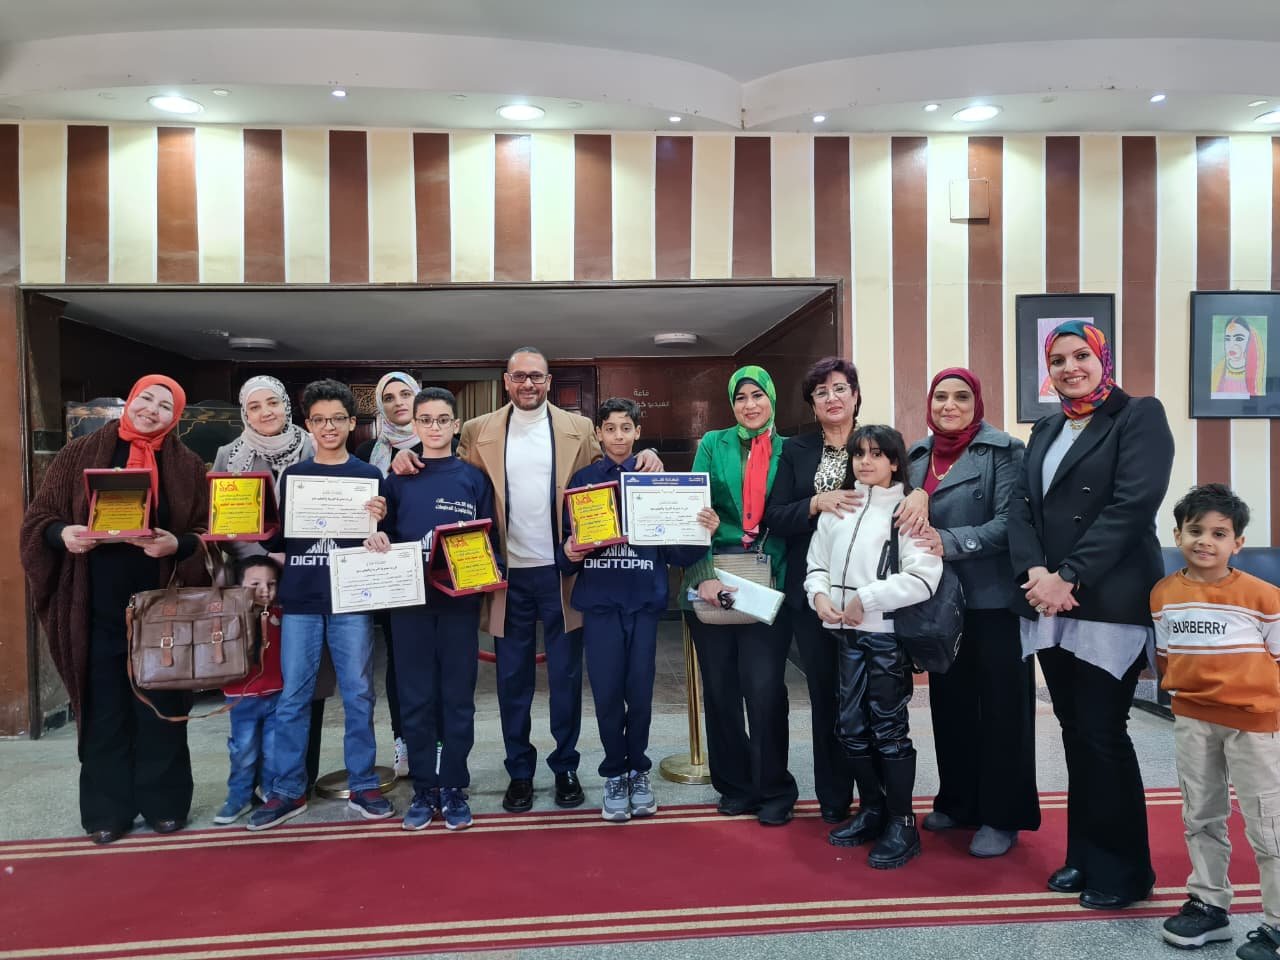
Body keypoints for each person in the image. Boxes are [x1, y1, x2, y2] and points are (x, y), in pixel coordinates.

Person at [391, 347, 661, 813]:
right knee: (511, 679)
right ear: (506, 381)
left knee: (566, 676)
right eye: (519, 376)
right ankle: (519, 771)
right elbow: (443, 466)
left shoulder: (579, 428)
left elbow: (614, 463)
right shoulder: (478, 430)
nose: (528, 384)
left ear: (549, 381)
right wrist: (404, 456)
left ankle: (565, 766)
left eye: (536, 376)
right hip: (505, 574)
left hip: (563, 571)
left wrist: (649, 454)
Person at [1007, 320, 1174, 909]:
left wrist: (1069, 575)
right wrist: (1035, 573)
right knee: (1075, 731)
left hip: (1105, 599)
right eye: (1057, 360)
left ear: (1103, 359)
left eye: (1081, 355)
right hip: (1048, 599)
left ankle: (1125, 872)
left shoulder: (1138, 415)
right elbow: (1021, 507)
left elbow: (1132, 505)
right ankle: (1084, 856)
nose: (1070, 367)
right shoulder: (1046, 427)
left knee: (1104, 732)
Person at [20, 375, 210, 844]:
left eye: (164, 405)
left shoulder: (187, 465)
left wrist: (177, 544)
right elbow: (39, 520)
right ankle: (107, 811)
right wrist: (63, 535)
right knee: (104, 709)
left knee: (163, 708)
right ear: (131, 400)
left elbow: (208, 531)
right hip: (95, 606)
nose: (151, 410)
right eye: (146, 398)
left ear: (175, 417)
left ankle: (165, 804)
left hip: (162, 610)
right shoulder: (78, 454)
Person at [896, 368, 1040, 858]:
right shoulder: (917, 456)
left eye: (961, 397)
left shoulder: (1004, 451)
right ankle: (958, 801)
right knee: (950, 705)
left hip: (993, 602)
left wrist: (949, 540)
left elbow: (1010, 524)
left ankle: (1002, 816)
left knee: (1002, 711)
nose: (949, 406)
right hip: (938, 603)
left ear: (977, 403)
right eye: (941, 397)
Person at [558, 398, 716, 822]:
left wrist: (702, 531)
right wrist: (570, 551)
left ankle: (638, 771)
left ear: (637, 432)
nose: (618, 436)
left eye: (626, 428)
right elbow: (566, 552)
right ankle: (614, 773)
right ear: (598, 433)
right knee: (608, 695)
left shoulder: (654, 478)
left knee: (640, 694)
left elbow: (678, 553)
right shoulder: (583, 481)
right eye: (610, 428)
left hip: (643, 603)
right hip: (601, 606)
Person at [248, 379, 393, 831]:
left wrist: (383, 530)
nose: (328, 427)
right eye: (319, 420)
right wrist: (249, 518)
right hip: (302, 599)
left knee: (359, 693)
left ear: (352, 423)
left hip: (352, 598)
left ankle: (363, 783)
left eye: (337, 419)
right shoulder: (293, 476)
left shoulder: (370, 477)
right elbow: (279, 539)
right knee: (294, 696)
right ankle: (288, 790)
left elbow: (385, 541)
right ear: (308, 425)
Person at [804, 424, 942, 869]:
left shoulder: (906, 510)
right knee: (849, 729)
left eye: (877, 454)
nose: (866, 462)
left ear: (895, 461)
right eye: (859, 454)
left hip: (886, 638)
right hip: (844, 635)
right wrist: (819, 596)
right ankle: (872, 808)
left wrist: (868, 598)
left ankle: (902, 822)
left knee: (888, 729)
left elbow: (925, 577)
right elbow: (816, 565)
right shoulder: (837, 510)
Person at [1152, 484, 1280, 957]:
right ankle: (1209, 905)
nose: (1205, 541)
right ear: (1178, 535)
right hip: (1193, 721)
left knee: (1268, 825)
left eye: (1219, 533)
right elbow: (1166, 657)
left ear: (1237, 543)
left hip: (1255, 725)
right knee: (1200, 816)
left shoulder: (1263, 596)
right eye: (1195, 530)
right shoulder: (1163, 594)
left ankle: (1277, 923)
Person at [365, 387, 496, 831]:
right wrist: (375, 536)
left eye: (443, 420)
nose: (435, 427)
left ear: (456, 425)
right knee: (416, 698)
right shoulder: (398, 478)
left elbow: (489, 540)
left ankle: (454, 785)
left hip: (459, 604)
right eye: (426, 420)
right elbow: (379, 534)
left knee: (457, 698)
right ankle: (424, 788)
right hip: (409, 605)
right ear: (415, 425)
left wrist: (484, 570)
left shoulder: (473, 478)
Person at [683, 365, 796, 826]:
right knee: (720, 690)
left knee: (764, 690)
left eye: (757, 395)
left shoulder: (790, 450)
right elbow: (694, 511)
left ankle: (773, 788)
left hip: (769, 580)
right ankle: (735, 785)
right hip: (714, 576)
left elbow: (791, 517)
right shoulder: (714, 444)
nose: (750, 405)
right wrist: (703, 575)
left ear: (772, 398)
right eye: (741, 398)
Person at [212, 375, 333, 798]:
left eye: (272, 403)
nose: (265, 412)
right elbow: (223, 521)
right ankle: (259, 780)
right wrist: (267, 557)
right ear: (245, 413)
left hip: (311, 578)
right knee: (258, 680)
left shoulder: (316, 444)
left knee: (307, 679)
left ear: (286, 405)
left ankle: (299, 776)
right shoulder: (229, 455)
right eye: (254, 406)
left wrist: (296, 555)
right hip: (255, 588)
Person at [763, 357, 862, 825]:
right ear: (812, 405)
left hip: (870, 592)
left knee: (874, 696)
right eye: (821, 392)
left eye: (840, 388)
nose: (832, 398)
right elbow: (775, 515)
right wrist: (816, 503)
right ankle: (834, 797)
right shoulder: (797, 450)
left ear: (856, 395)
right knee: (826, 696)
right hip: (813, 590)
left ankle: (880, 795)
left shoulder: (877, 442)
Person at [354, 371, 424, 781]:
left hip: (432, 567)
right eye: (390, 397)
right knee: (398, 662)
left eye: (406, 394)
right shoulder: (368, 451)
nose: (399, 402)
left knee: (436, 661)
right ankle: (403, 739)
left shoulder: (441, 443)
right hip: (386, 569)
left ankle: (436, 741)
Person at [214, 556, 284, 826]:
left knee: (274, 750)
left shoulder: (281, 614)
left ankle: (270, 791)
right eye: (255, 584)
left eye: (271, 583)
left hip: (277, 694)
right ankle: (239, 796)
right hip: (241, 698)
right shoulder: (229, 617)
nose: (265, 590)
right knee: (243, 751)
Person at [1211, 316, 1266, 399]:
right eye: (1227, 339)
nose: (1231, 345)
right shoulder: (1219, 370)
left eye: (1239, 339)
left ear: (1249, 341)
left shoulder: (1255, 371)